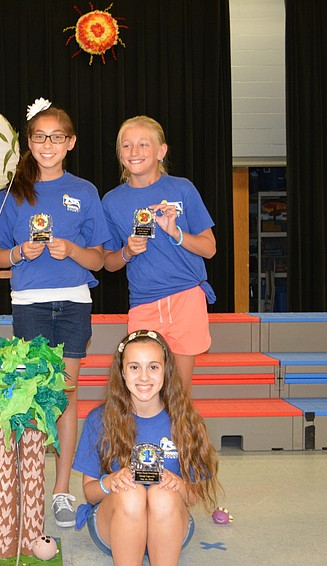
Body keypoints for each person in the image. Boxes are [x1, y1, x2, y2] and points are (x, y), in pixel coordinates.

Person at [0, 98, 110, 528]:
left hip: (74, 302)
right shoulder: (12, 194)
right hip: (30, 306)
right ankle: (31, 484)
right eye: (40, 136)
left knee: (67, 396)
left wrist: (72, 250)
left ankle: (61, 490)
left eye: (57, 137)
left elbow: (99, 260)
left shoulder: (84, 191)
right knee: (34, 395)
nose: (48, 144)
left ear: (71, 142)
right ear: (29, 140)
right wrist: (22, 251)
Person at [72, 330, 220, 565]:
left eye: (153, 367)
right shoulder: (99, 419)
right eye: (134, 367)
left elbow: (192, 498)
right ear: (122, 371)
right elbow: (90, 494)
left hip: (170, 524)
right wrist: (111, 481)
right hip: (112, 524)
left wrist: (178, 484)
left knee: (162, 495)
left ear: (166, 371)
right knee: (131, 493)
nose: (144, 377)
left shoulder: (185, 421)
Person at [102, 116, 217, 390]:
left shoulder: (182, 188)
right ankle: (146, 436)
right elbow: (108, 263)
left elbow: (209, 248)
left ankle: (177, 436)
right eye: (127, 146)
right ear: (120, 154)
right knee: (144, 389)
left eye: (143, 144)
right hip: (144, 303)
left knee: (179, 392)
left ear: (161, 151)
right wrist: (127, 251)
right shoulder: (111, 201)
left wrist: (175, 233)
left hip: (187, 298)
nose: (134, 152)